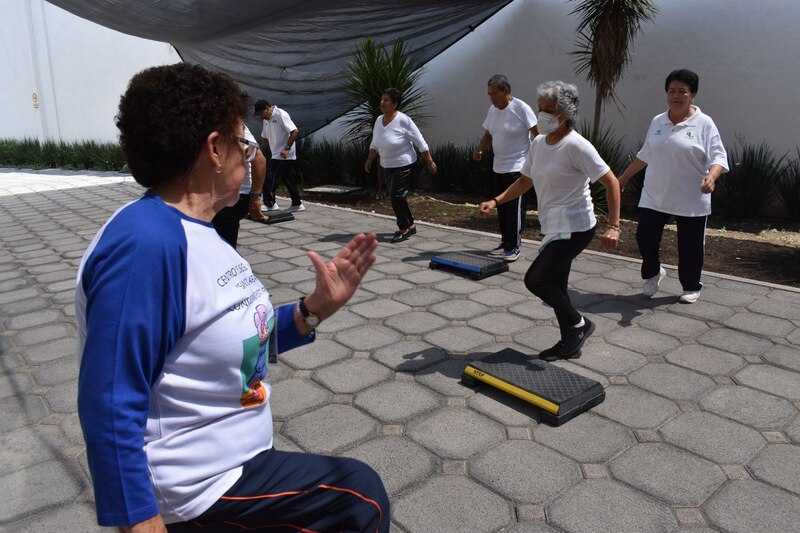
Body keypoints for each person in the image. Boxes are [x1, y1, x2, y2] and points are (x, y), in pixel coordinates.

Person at [76, 63, 387, 533]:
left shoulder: (199, 230)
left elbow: (225, 338)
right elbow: (109, 401)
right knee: (357, 499)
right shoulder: (145, 246)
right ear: (215, 150)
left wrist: (310, 311)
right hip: (198, 489)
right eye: (246, 144)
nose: (252, 156)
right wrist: (142, 525)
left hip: (235, 463)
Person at [479, 81, 620, 361]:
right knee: (556, 286)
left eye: (549, 110)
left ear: (565, 114)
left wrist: (614, 226)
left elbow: (611, 182)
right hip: (553, 227)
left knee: (536, 280)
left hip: (575, 227)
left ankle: (578, 324)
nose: (542, 115)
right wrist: (496, 200)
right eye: (540, 109)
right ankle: (570, 340)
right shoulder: (539, 143)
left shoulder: (577, 146)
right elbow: (524, 181)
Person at [617, 69, 728, 304]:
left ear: (693, 95)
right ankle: (653, 273)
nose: (676, 96)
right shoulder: (658, 121)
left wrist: (712, 177)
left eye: (682, 92)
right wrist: (622, 179)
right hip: (655, 193)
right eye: (671, 91)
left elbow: (718, 157)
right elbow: (645, 154)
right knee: (644, 236)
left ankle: (691, 285)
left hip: (691, 197)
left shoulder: (704, 123)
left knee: (690, 245)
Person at [473, 74, 539, 262]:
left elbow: (537, 134)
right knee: (501, 207)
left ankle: (514, 246)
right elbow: (488, 134)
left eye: (494, 93)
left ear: (506, 91)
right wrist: (479, 150)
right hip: (498, 167)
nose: (491, 97)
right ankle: (505, 242)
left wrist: (538, 158)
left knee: (514, 209)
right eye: (489, 94)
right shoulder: (492, 110)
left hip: (518, 167)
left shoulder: (521, 108)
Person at [364, 88, 437, 243]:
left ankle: (403, 228)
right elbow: (375, 143)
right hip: (386, 165)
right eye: (381, 99)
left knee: (396, 195)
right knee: (399, 197)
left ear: (395, 104)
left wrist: (429, 161)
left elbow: (420, 141)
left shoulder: (404, 120)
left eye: (386, 100)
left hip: (404, 163)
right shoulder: (378, 120)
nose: (382, 103)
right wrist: (370, 159)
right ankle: (411, 225)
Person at [211, 123, 267, 248]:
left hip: (231, 198)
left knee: (220, 246)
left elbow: (259, 159)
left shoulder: (231, 124)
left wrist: (255, 196)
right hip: (228, 198)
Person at [254, 99, 304, 212]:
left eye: (261, 113)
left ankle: (270, 204)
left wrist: (286, 149)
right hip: (276, 153)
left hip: (284, 154)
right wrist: (259, 153)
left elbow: (294, 131)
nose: (260, 116)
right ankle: (297, 204)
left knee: (269, 174)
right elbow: (266, 139)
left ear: (268, 108)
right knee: (287, 178)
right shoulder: (266, 119)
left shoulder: (281, 114)